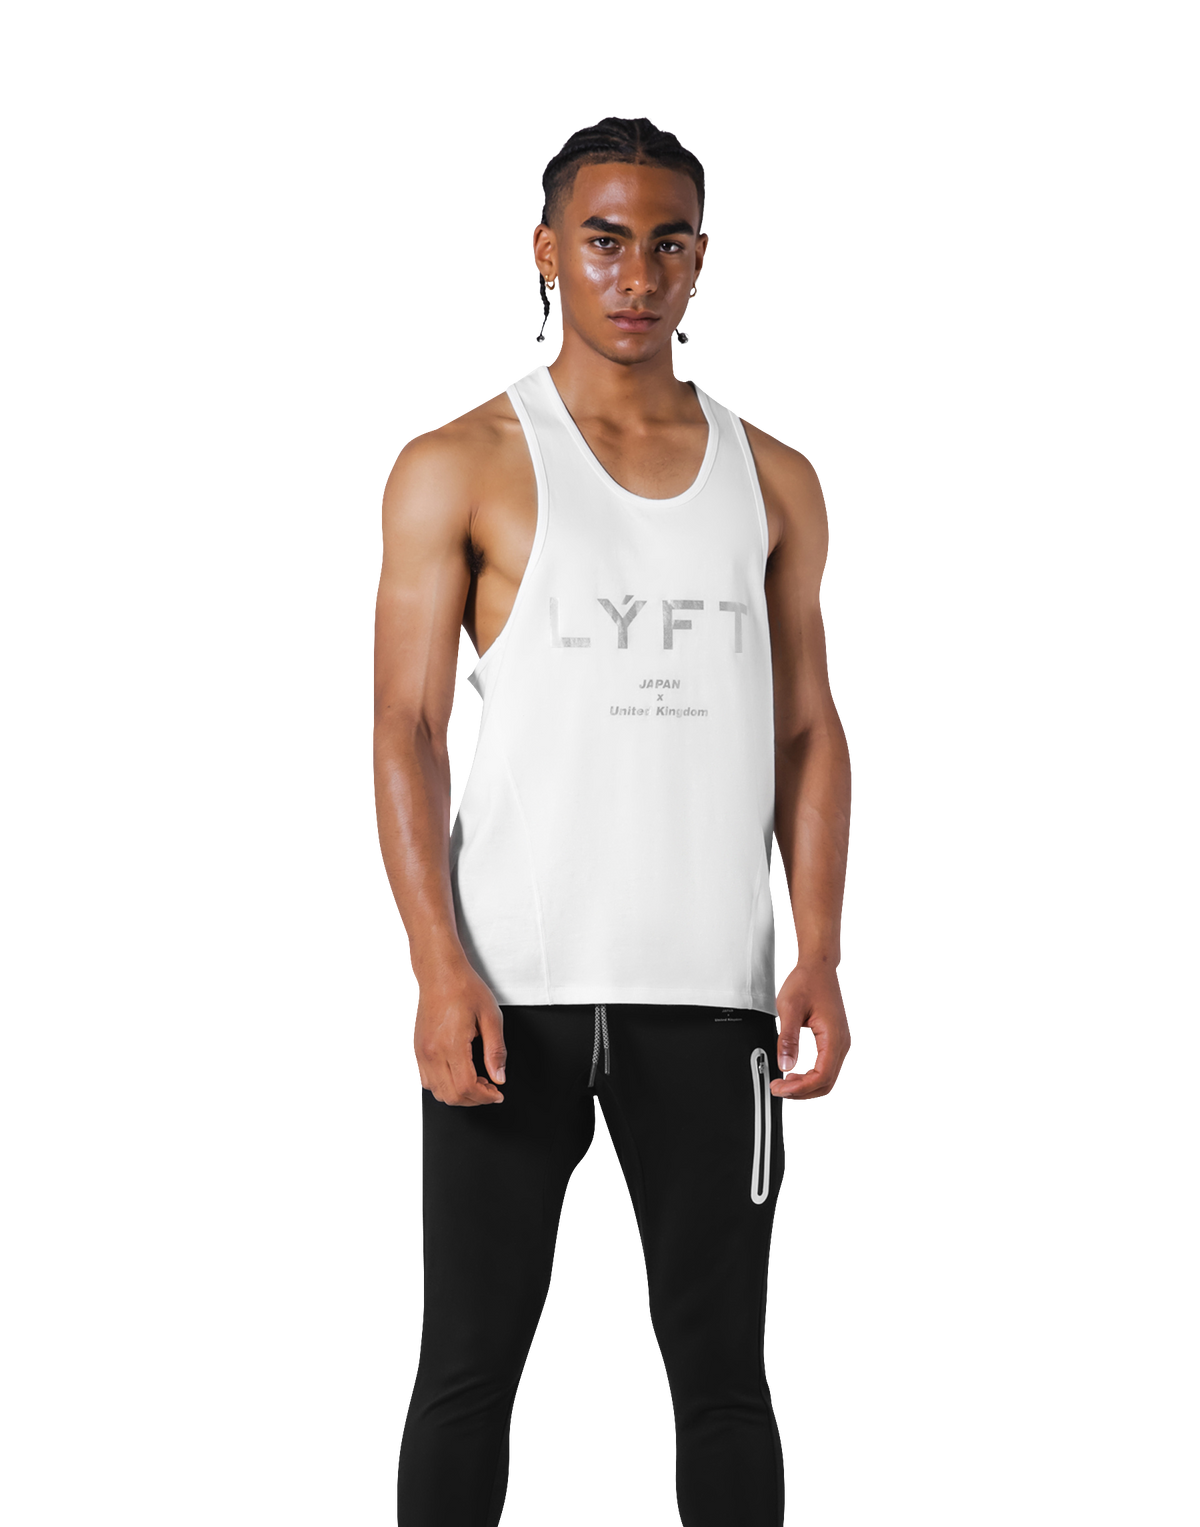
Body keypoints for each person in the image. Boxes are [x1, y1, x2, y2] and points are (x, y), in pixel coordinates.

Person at [374, 112, 854, 1527]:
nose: (635, 274)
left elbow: (811, 728)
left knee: (726, 1382)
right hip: (508, 991)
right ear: (547, 253)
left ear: (701, 259)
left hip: (715, 995)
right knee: (466, 1372)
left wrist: (819, 951)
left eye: (667, 243)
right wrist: (436, 966)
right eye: (602, 242)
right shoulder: (459, 458)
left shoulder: (775, 473)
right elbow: (405, 729)